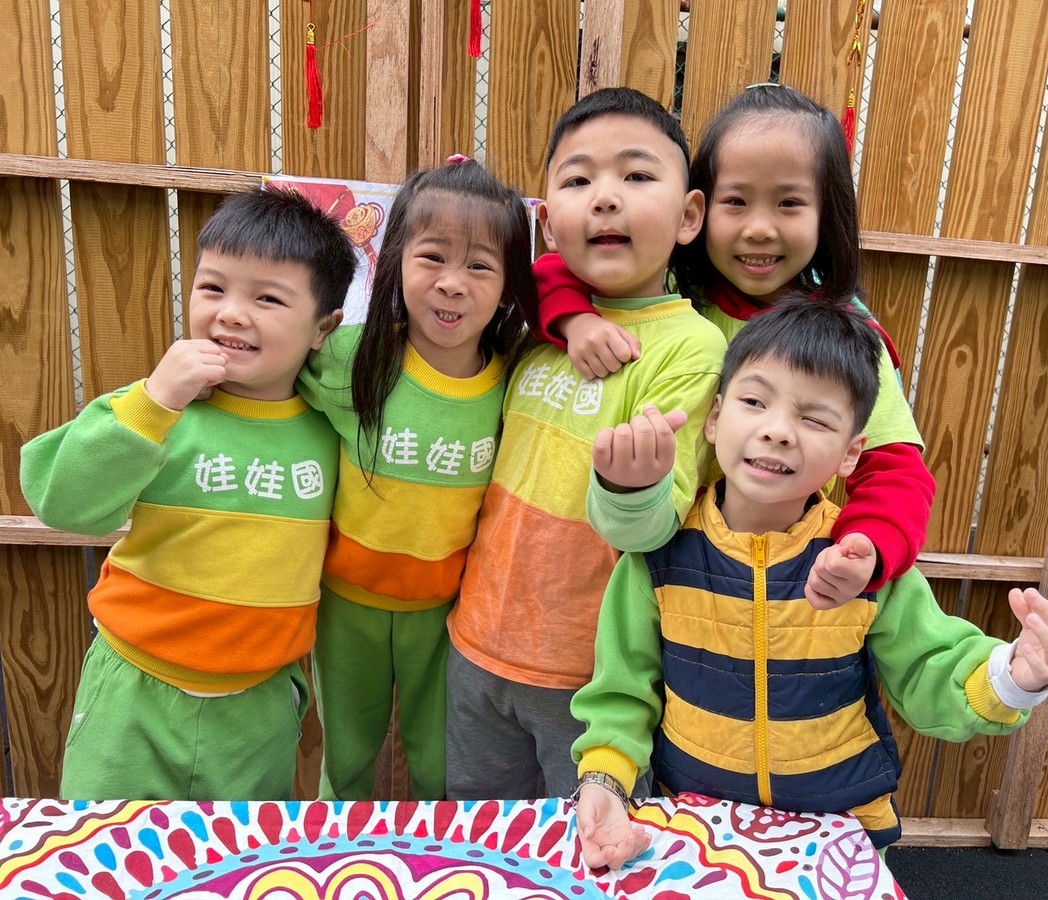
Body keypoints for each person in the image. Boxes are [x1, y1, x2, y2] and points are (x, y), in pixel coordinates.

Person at [569, 296, 1048, 868]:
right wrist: (605, 782)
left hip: (841, 834)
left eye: (814, 419)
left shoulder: (857, 561)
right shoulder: (660, 556)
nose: (777, 431)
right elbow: (622, 691)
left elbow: (928, 669)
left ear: (850, 453)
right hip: (697, 823)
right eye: (753, 402)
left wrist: (1013, 677)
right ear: (713, 418)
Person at [536, 83, 935, 606]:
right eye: (736, 202)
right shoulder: (677, 292)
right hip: (659, 577)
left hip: (776, 588)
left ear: (827, 214)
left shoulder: (844, 340)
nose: (760, 228)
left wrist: (868, 547)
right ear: (696, 211)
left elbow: (894, 469)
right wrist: (574, 319)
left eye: (789, 203)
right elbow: (554, 269)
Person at [20, 187, 356, 800]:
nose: (231, 313)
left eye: (267, 298)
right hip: (133, 694)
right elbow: (64, 504)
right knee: (110, 846)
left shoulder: (333, 431)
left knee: (242, 854)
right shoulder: (155, 408)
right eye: (212, 288)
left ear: (323, 327)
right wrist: (155, 400)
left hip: (256, 709)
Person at [444, 87, 728, 800]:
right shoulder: (532, 323)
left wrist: (632, 487)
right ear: (545, 220)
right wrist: (569, 319)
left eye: (637, 175)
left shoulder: (690, 347)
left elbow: (654, 527)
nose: (605, 197)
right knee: (479, 839)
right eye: (578, 180)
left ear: (689, 215)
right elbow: (527, 280)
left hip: (591, 675)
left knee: (592, 845)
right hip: (475, 642)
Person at [297, 158, 536, 801]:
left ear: (508, 285)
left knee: (442, 766)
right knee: (347, 759)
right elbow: (271, 378)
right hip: (347, 605)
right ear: (396, 261)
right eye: (431, 257)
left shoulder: (516, 381)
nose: (452, 284)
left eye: (480, 266)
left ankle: (443, 855)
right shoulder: (349, 358)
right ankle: (336, 851)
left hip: (448, 613)